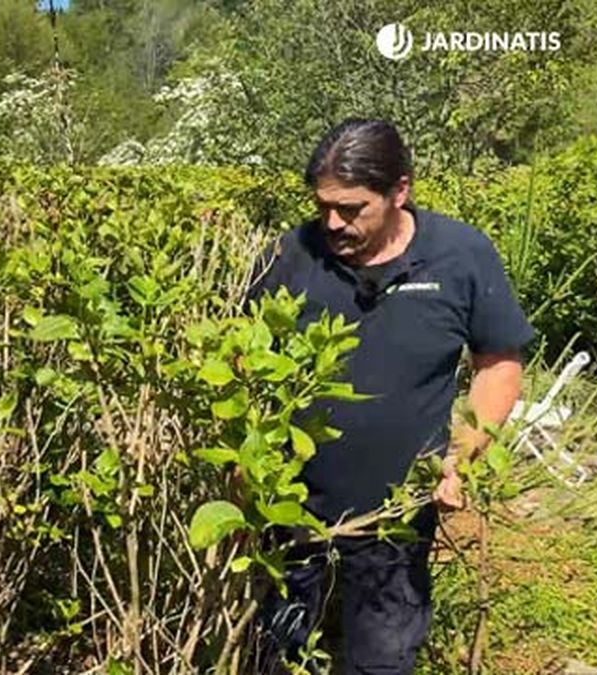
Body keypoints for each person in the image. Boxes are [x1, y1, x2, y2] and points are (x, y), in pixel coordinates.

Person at [245, 118, 533, 674]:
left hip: (396, 515)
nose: (333, 222)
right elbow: (239, 360)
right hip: (287, 508)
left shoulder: (460, 254)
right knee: (276, 656)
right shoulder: (290, 255)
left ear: (399, 191)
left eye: (352, 209)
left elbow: (498, 364)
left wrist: (462, 455)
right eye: (323, 205)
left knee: (381, 659)